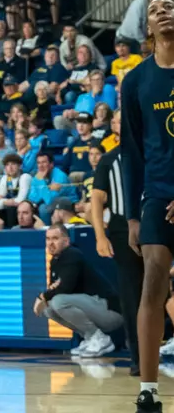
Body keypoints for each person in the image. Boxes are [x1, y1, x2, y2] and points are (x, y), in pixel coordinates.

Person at [121, 0, 174, 413]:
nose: (164, 11)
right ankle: (149, 390)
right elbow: (131, 151)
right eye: (156, 9)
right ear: (148, 30)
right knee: (153, 279)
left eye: (171, 5)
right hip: (157, 193)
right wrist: (133, 216)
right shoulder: (136, 81)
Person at [90, 142, 142, 377]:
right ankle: (139, 357)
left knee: (159, 290)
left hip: (158, 221)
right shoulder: (109, 159)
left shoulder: (155, 149)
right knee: (132, 294)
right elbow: (97, 200)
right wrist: (100, 236)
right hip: (122, 229)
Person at [33, 224, 122, 358]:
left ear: (66, 241)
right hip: (93, 308)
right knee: (49, 308)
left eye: (55, 238)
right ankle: (91, 337)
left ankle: (100, 339)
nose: (50, 243)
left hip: (110, 311)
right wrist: (45, 298)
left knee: (58, 301)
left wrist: (42, 297)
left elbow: (65, 287)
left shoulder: (73, 255)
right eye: (48, 239)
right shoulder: (55, 260)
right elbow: (55, 288)